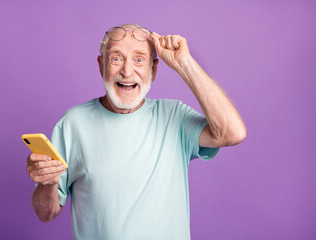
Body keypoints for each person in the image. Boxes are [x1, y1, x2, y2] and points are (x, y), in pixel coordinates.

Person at [26, 23, 246, 239]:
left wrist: (184, 63)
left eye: (139, 59)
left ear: (154, 69)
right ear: (101, 65)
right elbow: (45, 213)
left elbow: (232, 133)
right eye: (116, 58)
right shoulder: (72, 123)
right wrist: (48, 182)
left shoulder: (174, 117)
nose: (127, 71)